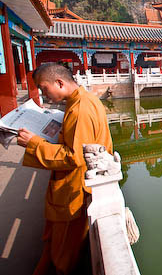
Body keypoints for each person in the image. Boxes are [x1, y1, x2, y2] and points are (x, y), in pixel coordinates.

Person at [17, 63, 113, 275]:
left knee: (62, 257)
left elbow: (75, 157)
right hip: (70, 187)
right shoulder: (81, 100)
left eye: (44, 88)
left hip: (74, 192)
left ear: (59, 83)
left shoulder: (80, 109)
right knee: (56, 248)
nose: (43, 94)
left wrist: (34, 143)